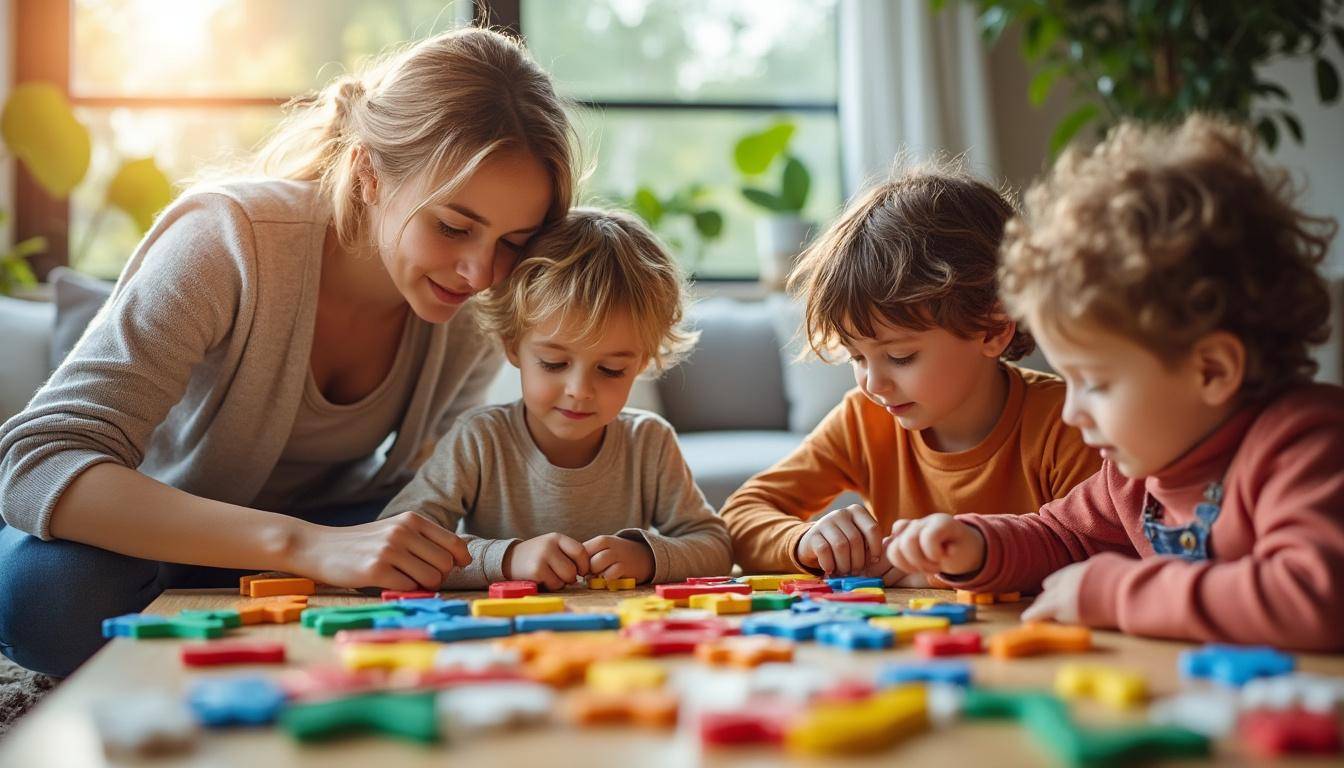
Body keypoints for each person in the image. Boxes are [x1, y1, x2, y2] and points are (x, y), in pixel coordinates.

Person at [0, 27, 577, 676]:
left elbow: (430, 490)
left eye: (513, 241)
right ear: (368, 174)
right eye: (452, 226)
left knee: (461, 563)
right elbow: (37, 464)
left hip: (330, 529)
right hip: (158, 535)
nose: (480, 273)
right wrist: (306, 547)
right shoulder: (228, 240)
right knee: (47, 600)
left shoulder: (477, 306)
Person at [884, 115, 1344, 651]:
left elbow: (1316, 598)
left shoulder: (1305, 445)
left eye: (1096, 384)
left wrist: (1116, 591)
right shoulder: (1133, 475)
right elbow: (1061, 537)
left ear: (1212, 370)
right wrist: (977, 544)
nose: (1071, 412)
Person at [722, 161, 1100, 579]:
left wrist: (941, 572)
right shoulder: (864, 422)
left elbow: (1099, 552)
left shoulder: (1071, 424)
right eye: (856, 357)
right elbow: (739, 517)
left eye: (900, 357)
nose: (873, 383)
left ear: (993, 329)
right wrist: (805, 540)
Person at [379, 208, 732, 592]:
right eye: (554, 363)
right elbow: (397, 543)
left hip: (621, 636)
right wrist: (508, 560)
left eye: (611, 369)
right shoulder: (479, 439)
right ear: (512, 347)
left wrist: (647, 557)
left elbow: (715, 545)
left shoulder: (648, 442)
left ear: (641, 363)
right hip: (503, 636)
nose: (579, 389)